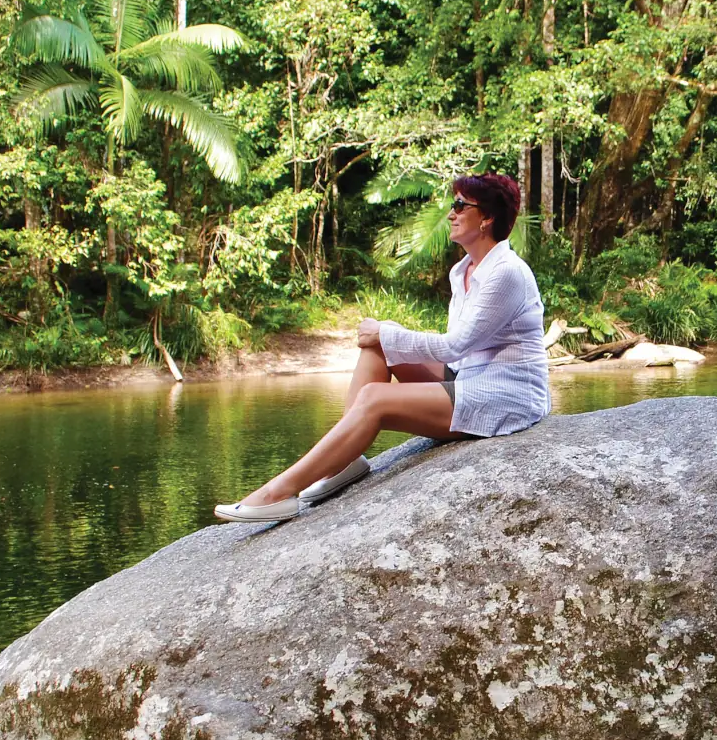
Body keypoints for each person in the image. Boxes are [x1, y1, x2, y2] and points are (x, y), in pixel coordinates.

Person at [215, 173, 551, 522]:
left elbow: (456, 345)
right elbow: (460, 351)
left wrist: (386, 332)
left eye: (460, 205)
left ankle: (279, 493)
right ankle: (344, 462)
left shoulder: (507, 272)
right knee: (379, 349)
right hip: (469, 377)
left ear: (487, 218)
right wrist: (386, 338)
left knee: (375, 395)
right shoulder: (463, 271)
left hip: (508, 393)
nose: (451, 213)